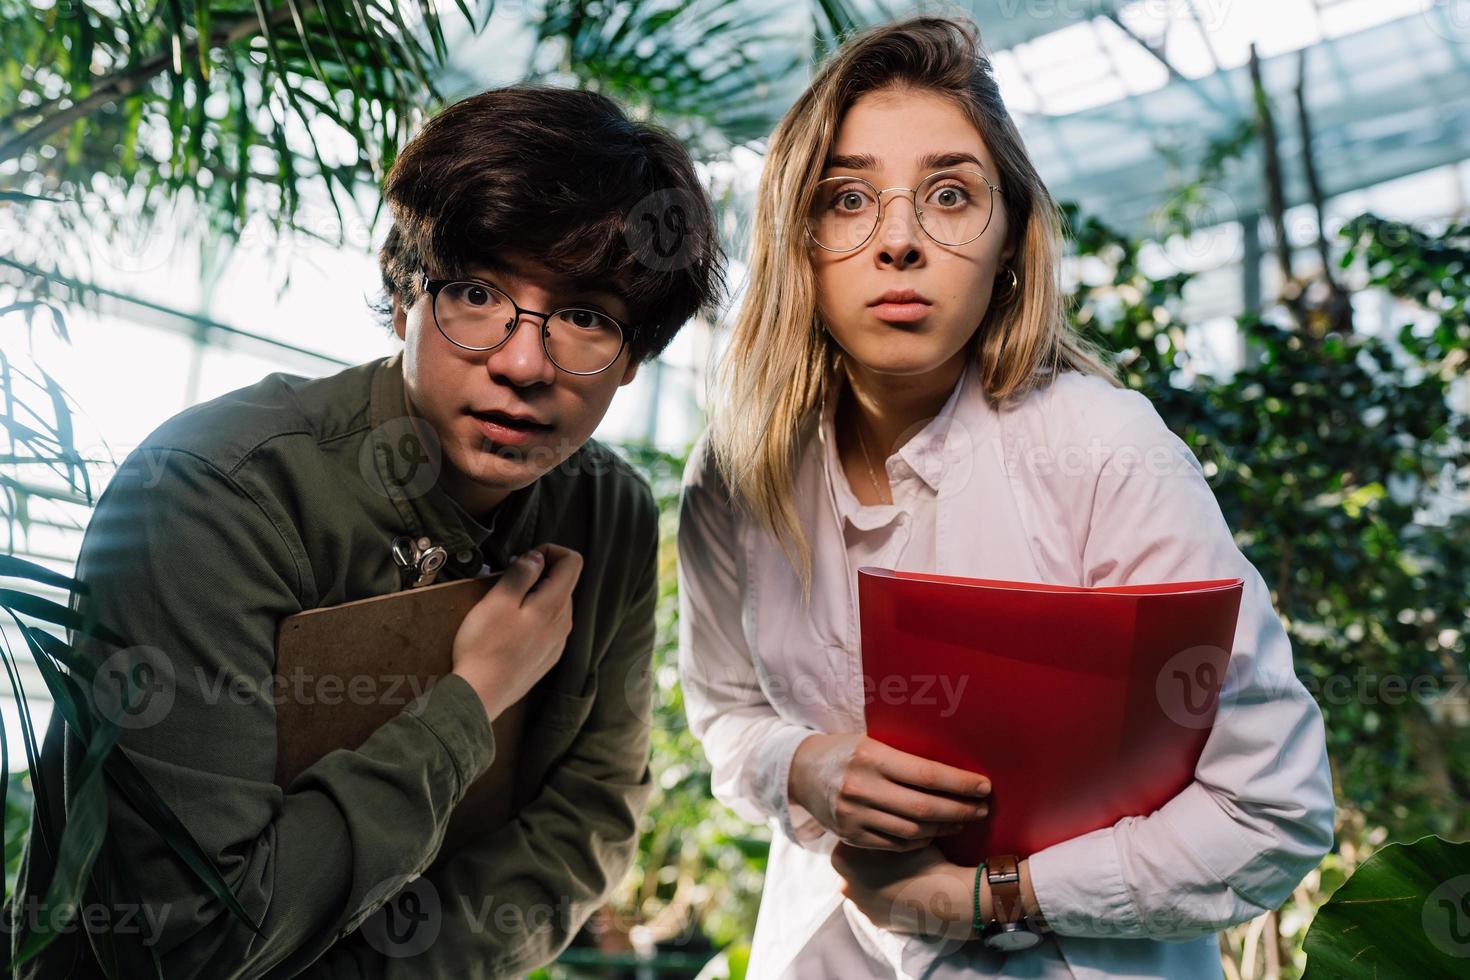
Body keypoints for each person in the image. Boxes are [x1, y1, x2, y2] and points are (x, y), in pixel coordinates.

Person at [8, 84, 721, 978]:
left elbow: (588, 821)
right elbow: (188, 939)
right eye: (475, 292)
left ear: (636, 358)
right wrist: (469, 702)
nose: (523, 362)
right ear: (403, 299)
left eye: (585, 316)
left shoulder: (606, 514)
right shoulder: (213, 492)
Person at [677, 16, 1334, 979]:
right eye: (847, 199)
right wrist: (803, 766)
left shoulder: (1105, 451)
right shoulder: (735, 472)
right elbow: (726, 714)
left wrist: (987, 896)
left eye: (950, 196)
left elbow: (1272, 811)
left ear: (1013, 241)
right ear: (795, 241)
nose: (898, 242)